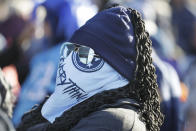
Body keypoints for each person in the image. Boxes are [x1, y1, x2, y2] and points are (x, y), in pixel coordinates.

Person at [17, 5, 163, 131]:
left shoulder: (113, 121)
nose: (69, 61)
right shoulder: (86, 107)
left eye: (84, 54)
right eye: (69, 50)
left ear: (113, 68)